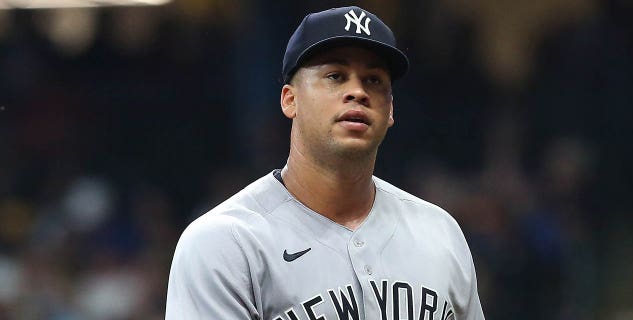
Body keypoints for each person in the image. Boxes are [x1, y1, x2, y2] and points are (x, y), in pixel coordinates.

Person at [166, 6, 484, 320]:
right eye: (335, 76)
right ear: (290, 99)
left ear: (389, 111)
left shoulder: (440, 233)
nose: (357, 92)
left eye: (373, 80)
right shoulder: (224, 243)